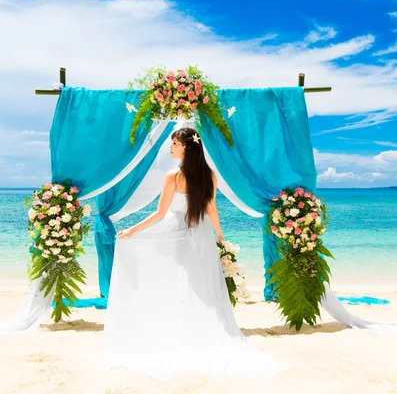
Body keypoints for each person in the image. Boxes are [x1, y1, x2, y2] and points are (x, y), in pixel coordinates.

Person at [101, 127, 283, 380]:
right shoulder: (209, 175)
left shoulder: (172, 176)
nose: (170, 147)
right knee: (202, 284)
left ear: (186, 146)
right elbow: (212, 211)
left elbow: (160, 214)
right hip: (202, 235)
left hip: (176, 234)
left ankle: (177, 331)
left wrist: (132, 229)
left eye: (174, 143)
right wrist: (219, 236)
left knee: (176, 281)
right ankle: (199, 331)